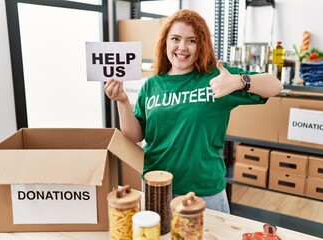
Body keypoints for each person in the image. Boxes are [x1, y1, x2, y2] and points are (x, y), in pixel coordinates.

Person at [104, 9, 283, 213]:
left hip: (204, 192)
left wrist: (238, 81)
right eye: (175, 39)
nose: (182, 47)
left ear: (201, 45)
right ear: (165, 43)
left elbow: (275, 85)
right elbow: (135, 135)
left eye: (191, 40)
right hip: (157, 186)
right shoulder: (151, 85)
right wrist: (122, 101)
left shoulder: (216, 77)